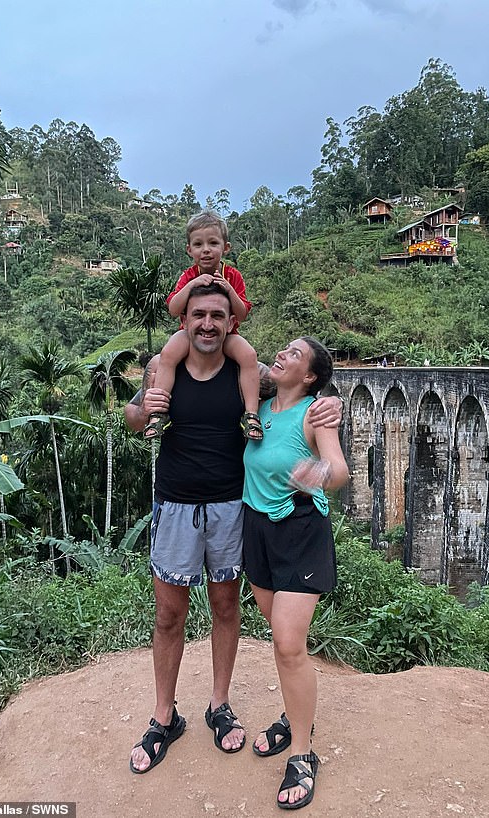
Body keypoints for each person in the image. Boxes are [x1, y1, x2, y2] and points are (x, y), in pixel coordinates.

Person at [123, 282, 343, 775]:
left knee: (226, 607)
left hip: (229, 508)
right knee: (168, 616)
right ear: (186, 319)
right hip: (176, 506)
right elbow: (133, 416)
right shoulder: (166, 367)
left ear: (230, 323)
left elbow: (302, 396)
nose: (207, 324)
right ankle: (164, 717)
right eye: (198, 314)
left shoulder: (254, 380)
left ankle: (219, 705)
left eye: (216, 317)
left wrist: (333, 404)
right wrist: (143, 410)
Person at [242, 337, 349, 810]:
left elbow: (340, 469)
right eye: (283, 349)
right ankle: (295, 716)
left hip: (301, 529)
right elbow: (242, 357)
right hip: (256, 529)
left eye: (295, 355)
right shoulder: (260, 403)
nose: (283, 355)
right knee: (281, 639)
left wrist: (315, 472)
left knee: (288, 644)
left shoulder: (314, 412)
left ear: (309, 377)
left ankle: (303, 755)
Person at [144, 210, 262, 442]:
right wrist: (191, 286)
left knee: (249, 355)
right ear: (189, 250)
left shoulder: (233, 275)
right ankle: (159, 411)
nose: (206, 249)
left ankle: (251, 414)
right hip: (189, 335)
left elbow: (243, 314)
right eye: (198, 244)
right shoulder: (188, 276)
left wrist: (228, 289)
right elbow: (173, 308)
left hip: (227, 334)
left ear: (225, 248)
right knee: (167, 354)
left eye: (213, 243)